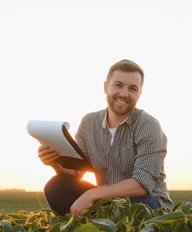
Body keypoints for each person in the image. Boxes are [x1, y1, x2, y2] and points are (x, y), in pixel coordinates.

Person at [38, 59, 174, 215]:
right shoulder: (89, 123)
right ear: (105, 87)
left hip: (147, 203)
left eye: (132, 88)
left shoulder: (149, 126)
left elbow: (142, 185)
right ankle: (88, 231)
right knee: (56, 185)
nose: (124, 94)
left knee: (141, 207)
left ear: (139, 94)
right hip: (106, 200)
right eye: (118, 85)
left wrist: (92, 193)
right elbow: (76, 173)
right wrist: (53, 162)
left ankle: (103, 228)